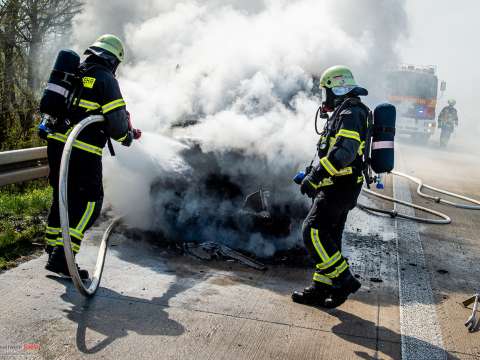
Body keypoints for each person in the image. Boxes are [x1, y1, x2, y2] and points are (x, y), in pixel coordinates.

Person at [43, 34, 141, 279]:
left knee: (62, 197)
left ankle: (54, 247)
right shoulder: (105, 79)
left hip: (57, 144)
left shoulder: (75, 72)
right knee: (91, 203)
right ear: (113, 59)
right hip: (82, 150)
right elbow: (117, 125)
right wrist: (127, 137)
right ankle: (63, 256)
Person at [292, 65, 368, 308]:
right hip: (339, 185)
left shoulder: (350, 113)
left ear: (337, 88)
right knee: (329, 237)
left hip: (340, 186)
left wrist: (315, 176)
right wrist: (312, 174)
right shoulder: (347, 110)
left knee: (312, 231)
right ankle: (322, 287)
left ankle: (344, 281)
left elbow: (344, 152)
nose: (324, 98)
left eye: (326, 92)